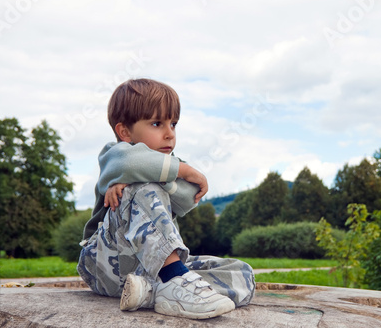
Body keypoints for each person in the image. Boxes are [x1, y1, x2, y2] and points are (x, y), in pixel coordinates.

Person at [77, 78, 255, 320]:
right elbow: (132, 163)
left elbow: (189, 196)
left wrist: (164, 174)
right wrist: (182, 171)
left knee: (242, 272)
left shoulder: (164, 165)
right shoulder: (115, 154)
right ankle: (171, 276)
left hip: (144, 274)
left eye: (173, 124)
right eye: (157, 123)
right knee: (140, 187)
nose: (169, 134)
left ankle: (152, 293)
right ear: (125, 131)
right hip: (103, 264)